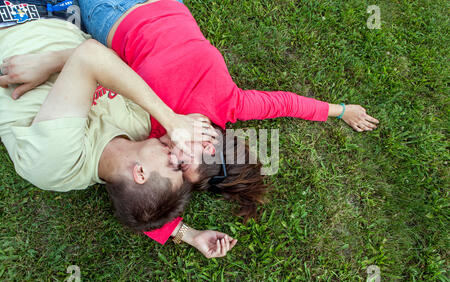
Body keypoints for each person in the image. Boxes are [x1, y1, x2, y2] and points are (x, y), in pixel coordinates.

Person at [74, 0, 380, 247]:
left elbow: (145, 204)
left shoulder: (152, 131)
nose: (171, 158)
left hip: (108, 13)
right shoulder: (231, 103)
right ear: (208, 144)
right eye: (181, 165)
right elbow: (288, 104)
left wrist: (190, 236)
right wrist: (340, 110)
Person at [0, 1, 238, 259]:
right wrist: (188, 234)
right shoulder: (138, 129)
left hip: (12, 20)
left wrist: (171, 120)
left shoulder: (57, 162)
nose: (177, 152)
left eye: (174, 166)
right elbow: (117, 62)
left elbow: (92, 56)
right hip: (67, 15)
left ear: (139, 172)